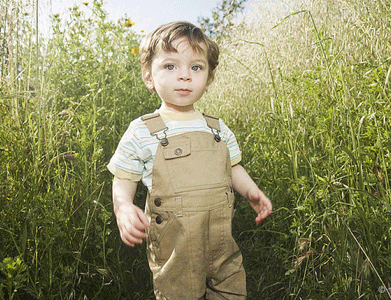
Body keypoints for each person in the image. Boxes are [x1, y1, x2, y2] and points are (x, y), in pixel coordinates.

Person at [107, 21, 272, 300]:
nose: (184, 76)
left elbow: (232, 166)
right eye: (170, 66)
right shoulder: (142, 130)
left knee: (230, 289)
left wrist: (250, 190)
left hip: (221, 240)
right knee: (179, 293)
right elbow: (124, 178)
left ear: (208, 79)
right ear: (149, 76)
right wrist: (122, 206)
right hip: (175, 247)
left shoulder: (217, 128)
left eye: (196, 67)